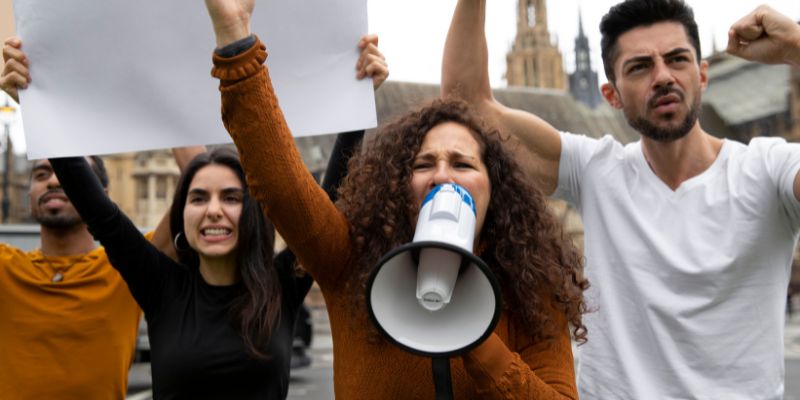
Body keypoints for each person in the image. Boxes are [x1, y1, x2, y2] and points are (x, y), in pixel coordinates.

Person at [203, 0, 589, 398]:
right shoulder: (350, 263)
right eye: (424, 164)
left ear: (496, 186)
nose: (442, 175)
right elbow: (281, 183)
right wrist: (237, 44)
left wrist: (477, 339)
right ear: (398, 185)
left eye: (462, 164)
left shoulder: (532, 288)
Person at [441, 0, 800, 398]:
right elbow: (467, 106)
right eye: (640, 67)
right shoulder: (597, 170)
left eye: (677, 59)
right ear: (611, 94)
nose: (663, 76)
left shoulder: (770, 169)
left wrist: (797, 47)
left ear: (702, 75)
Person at [46, 33, 387, 399]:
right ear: (182, 214)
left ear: (252, 211)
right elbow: (102, 215)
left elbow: (327, 201)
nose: (213, 210)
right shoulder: (161, 286)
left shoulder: (282, 284)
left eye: (230, 197)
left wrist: (357, 103)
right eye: (198, 198)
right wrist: (43, 116)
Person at [0, 37, 203, 400]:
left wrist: (158, 81)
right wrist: (35, 104)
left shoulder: (127, 270)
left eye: (73, 173)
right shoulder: (6, 268)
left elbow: (199, 176)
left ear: (102, 199)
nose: (56, 179)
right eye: (41, 174)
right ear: (28, 194)